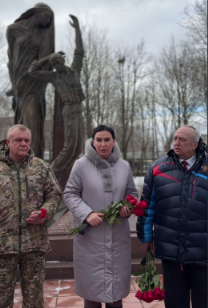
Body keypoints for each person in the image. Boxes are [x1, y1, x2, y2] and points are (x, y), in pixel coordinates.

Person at [63, 125, 138, 308]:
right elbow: (70, 194)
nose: (103, 144)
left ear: (114, 141)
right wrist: (86, 214)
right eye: (99, 140)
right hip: (90, 238)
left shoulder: (124, 166)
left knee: (115, 295)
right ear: (93, 142)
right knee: (92, 294)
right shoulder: (81, 165)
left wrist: (127, 206)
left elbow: (132, 194)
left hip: (117, 237)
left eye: (107, 140)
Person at [137, 125, 207, 308]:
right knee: (175, 301)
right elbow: (147, 205)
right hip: (171, 247)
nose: (177, 143)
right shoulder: (158, 168)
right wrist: (145, 236)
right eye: (175, 138)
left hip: (203, 248)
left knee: (204, 300)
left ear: (195, 144)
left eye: (182, 139)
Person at [0, 124, 62, 308]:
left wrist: (45, 212)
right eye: (18, 140)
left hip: (33, 244)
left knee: (34, 300)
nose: (23, 144)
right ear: (8, 142)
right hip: (3, 246)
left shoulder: (40, 167)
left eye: (27, 140)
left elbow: (54, 195)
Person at [28, 14, 85, 181]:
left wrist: (77, 29)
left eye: (58, 62)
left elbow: (79, 51)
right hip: (69, 111)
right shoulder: (54, 77)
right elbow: (32, 70)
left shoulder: (74, 70)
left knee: (77, 149)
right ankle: (50, 176)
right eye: (53, 65)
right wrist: (46, 58)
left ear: (63, 60)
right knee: (69, 148)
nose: (56, 66)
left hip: (78, 110)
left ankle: (61, 178)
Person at [6, 3, 55, 158]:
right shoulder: (13, 29)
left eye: (51, 17)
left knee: (32, 123)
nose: (49, 20)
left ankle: (34, 165)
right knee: (21, 123)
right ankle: (19, 163)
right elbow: (11, 58)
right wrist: (14, 84)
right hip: (19, 84)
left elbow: (45, 62)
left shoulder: (45, 35)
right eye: (46, 15)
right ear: (36, 12)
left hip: (35, 84)